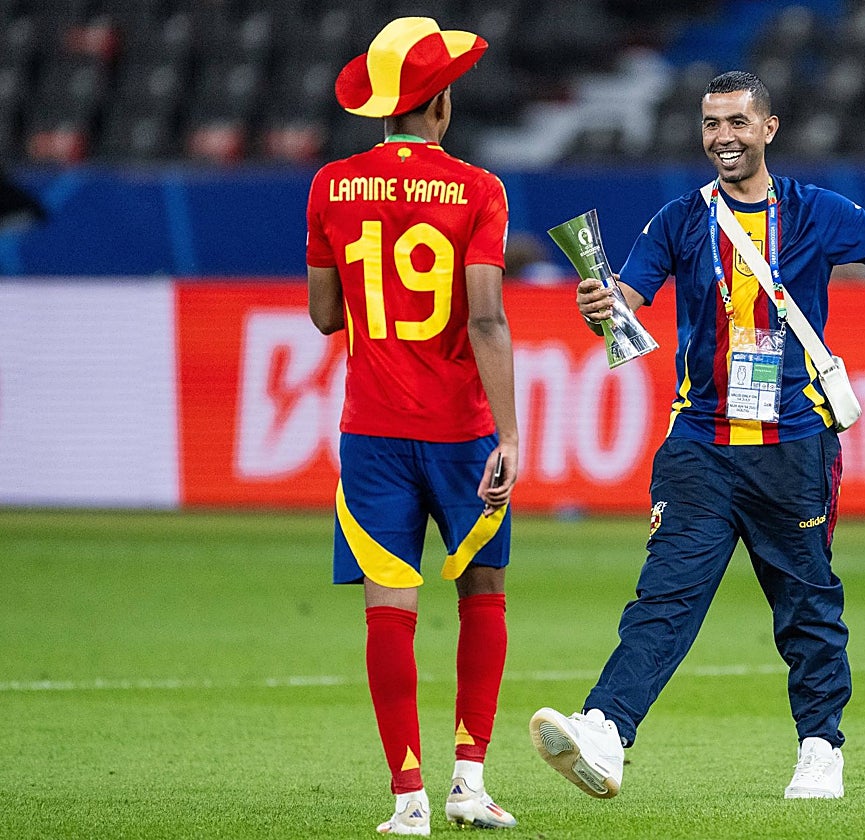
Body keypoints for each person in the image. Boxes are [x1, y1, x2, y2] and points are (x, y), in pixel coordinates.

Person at [529, 70, 865, 801]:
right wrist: (599, 305)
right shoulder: (678, 221)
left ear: (769, 129)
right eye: (711, 124)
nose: (723, 136)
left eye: (736, 122)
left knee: (807, 604)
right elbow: (624, 307)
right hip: (701, 447)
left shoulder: (817, 211)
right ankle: (605, 730)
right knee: (665, 595)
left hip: (793, 447)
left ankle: (821, 749)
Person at [305, 16, 519, 836]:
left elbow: (326, 315)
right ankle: (470, 782)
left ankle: (407, 800)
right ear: (444, 104)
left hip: (374, 431)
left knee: (388, 610)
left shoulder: (332, 183)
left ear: (382, 108)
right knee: (483, 594)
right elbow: (487, 320)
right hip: (462, 432)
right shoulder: (478, 190)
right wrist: (510, 435)